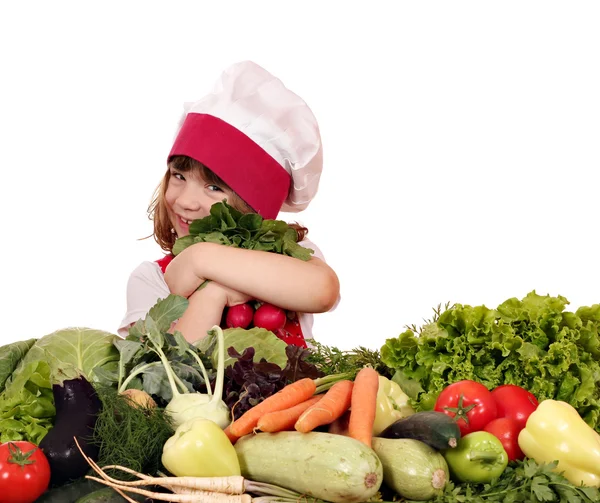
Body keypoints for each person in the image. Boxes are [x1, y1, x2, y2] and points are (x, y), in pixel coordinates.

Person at [118, 61, 340, 345]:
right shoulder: (151, 278)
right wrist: (214, 294)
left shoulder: (292, 253)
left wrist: (200, 261)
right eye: (178, 176)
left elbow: (322, 290)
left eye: (213, 187)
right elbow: (164, 372)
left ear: (255, 206)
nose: (185, 201)